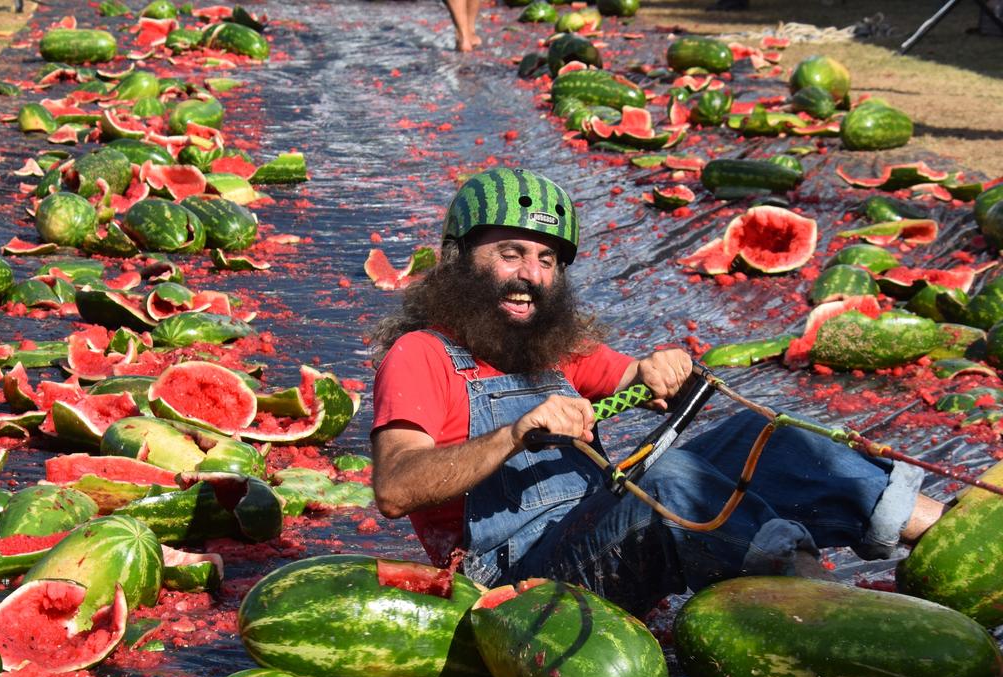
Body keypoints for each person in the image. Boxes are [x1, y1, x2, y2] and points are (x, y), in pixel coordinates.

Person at [369, 168, 947, 615]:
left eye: (546, 259)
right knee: (670, 483)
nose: (531, 275)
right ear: (459, 259)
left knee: (760, 435)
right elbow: (395, 488)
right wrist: (515, 433)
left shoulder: (547, 342)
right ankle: (830, 614)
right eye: (510, 253)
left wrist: (659, 369)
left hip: (601, 532)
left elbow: (637, 380)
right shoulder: (420, 354)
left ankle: (946, 532)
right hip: (517, 583)